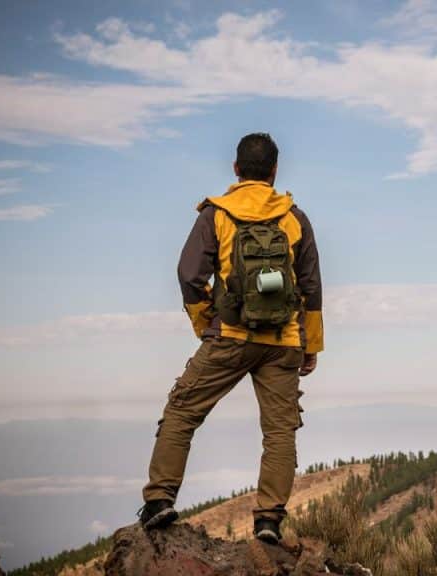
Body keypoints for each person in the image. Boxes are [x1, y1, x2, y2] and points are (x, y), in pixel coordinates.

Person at [139, 133, 324, 544]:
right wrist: (309, 346)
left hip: (230, 336)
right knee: (279, 432)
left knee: (182, 411)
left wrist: (207, 320)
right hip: (283, 342)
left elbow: (189, 275)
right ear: (275, 171)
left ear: (236, 169)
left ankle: (159, 500)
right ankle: (269, 520)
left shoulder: (216, 214)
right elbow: (311, 286)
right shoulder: (294, 217)